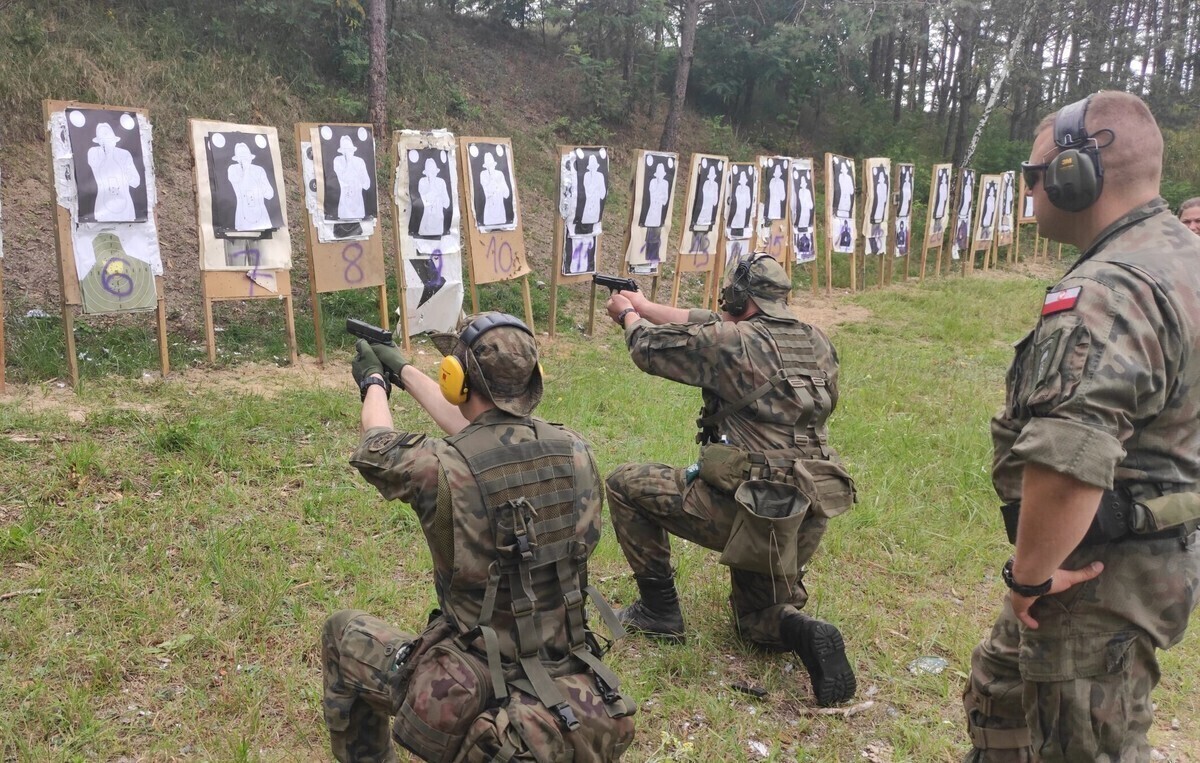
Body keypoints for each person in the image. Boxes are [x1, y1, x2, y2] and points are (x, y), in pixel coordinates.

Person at [962, 90, 1200, 761]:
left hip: (1096, 576)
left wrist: (1030, 577)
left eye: (1035, 174)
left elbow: (1070, 460)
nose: (1029, 189)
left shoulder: (1109, 291)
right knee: (1002, 688)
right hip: (1148, 553)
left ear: (1077, 176)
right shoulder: (1181, 258)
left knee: (1085, 744)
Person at [323, 313, 635, 763]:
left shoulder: (437, 468)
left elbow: (376, 445)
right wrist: (403, 369)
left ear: (456, 381)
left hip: (476, 678)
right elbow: (483, 441)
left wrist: (374, 382)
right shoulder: (576, 451)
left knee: (341, 633)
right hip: (566, 670)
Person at [602, 255, 858, 708]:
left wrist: (627, 315)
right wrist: (645, 302)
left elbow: (647, 348)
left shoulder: (731, 342)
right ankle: (804, 630)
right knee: (758, 621)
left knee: (625, 484)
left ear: (738, 297)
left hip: (749, 510)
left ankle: (659, 611)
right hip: (803, 513)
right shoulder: (816, 340)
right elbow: (707, 323)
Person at [87, 122, 140, 222]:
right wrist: (107, 155)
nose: (106, 143)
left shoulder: (124, 155)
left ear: (114, 141)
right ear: (98, 142)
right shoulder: (94, 153)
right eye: (102, 141)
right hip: (103, 209)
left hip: (125, 210)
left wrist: (125, 174)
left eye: (109, 140)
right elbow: (95, 163)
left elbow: (136, 182)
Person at [227, 142, 274, 231]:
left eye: (246, 157)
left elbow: (270, 194)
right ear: (237, 159)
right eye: (242, 158)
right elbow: (238, 181)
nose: (245, 160)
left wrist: (261, 188)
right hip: (244, 217)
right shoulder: (233, 169)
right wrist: (246, 170)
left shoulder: (259, 170)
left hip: (262, 216)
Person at [332, 134, 372, 221]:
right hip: (344, 207)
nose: (349, 153)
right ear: (342, 152)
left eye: (350, 150)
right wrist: (348, 161)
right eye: (346, 151)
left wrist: (360, 179)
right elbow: (342, 177)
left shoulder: (359, 161)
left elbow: (366, 184)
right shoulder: (338, 160)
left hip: (358, 207)